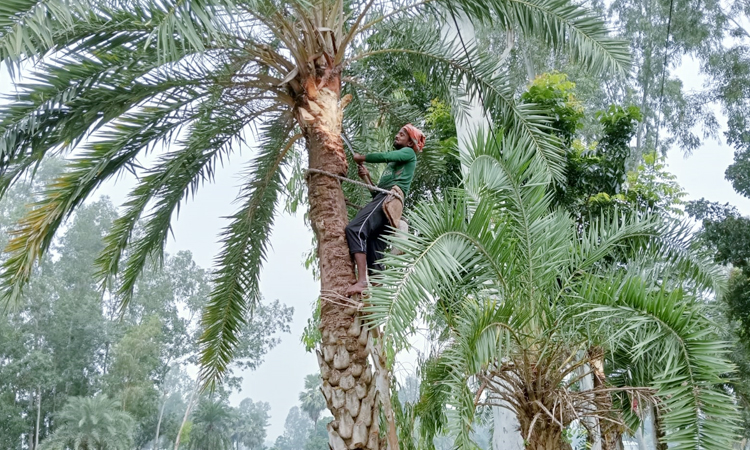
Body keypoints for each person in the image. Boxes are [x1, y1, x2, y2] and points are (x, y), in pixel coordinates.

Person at [345, 124, 426, 296]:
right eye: (398, 132)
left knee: (355, 230)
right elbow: (376, 193)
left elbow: (384, 156)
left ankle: (362, 282)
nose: (397, 136)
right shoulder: (394, 166)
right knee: (374, 249)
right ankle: (377, 306)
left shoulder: (409, 153)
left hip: (389, 201)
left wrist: (363, 157)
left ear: (410, 143)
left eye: (402, 134)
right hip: (386, 203)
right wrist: (366, 176)